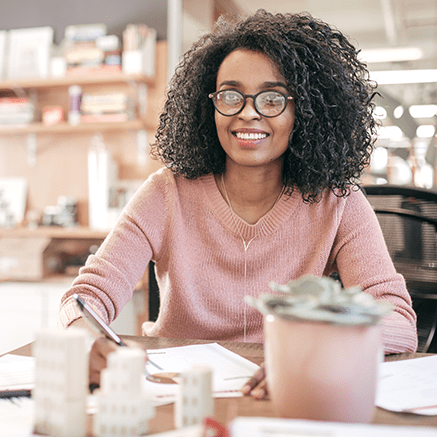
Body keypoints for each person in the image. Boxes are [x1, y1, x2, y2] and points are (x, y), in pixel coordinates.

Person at [58, 10, 418, 398]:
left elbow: (398, 321)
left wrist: (316, 349)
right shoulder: (166, 193)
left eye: (272, 98)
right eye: (231, 95)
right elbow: (85, 299)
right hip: (176, 394)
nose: (248, 112)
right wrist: (85, 339)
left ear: (306, 110)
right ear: (209, 104)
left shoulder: (339, 203)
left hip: (286, 393)